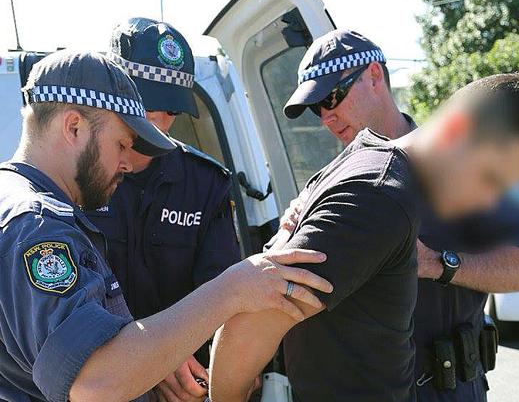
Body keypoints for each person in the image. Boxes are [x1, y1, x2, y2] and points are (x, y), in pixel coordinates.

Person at [208, 30, 519, 402]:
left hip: (451, 387)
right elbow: (261, 306)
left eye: (333, 97)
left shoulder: (468, 166)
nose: (327, 115)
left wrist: (439, 264)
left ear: (375, 76)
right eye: (316, 107)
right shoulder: (356, 185)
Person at [0, 50, 333, 402]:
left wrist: (158, 355)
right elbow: (96, 380)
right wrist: (232, 288)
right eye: (121, 145)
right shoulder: (36, 227)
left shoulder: (20, 202)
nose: (127, 164)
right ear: (74, 127)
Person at [84, 17, 240, 401]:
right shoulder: (74, 179)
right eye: (146, 103)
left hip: (184, 388)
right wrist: (153, 354)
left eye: (170, 108)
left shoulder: (207, 185)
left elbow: (222, 293)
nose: (157, 120)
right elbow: (63, 301)